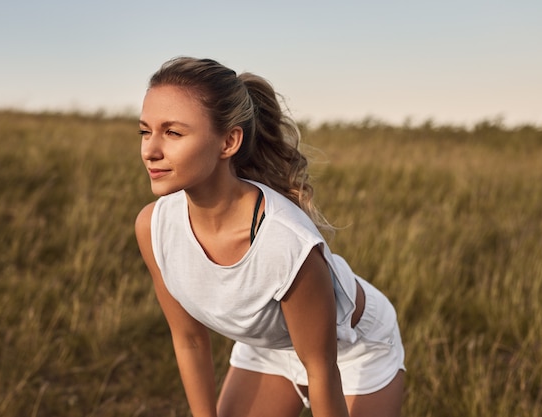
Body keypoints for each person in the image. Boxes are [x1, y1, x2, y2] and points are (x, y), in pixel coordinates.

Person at [135, 56, 405, 417]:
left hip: (352, 349)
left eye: (173, 133)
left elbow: (322, 368)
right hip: (268, 347)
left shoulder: (285, 242)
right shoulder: (153, 226)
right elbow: (189, 341)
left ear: (228, 142)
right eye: (145, 131)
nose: (150, 151)